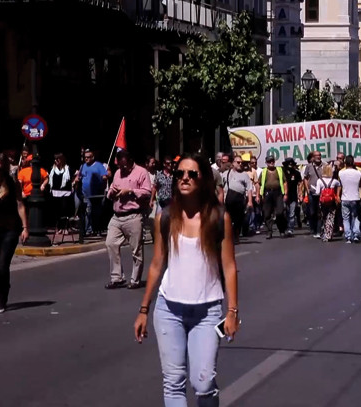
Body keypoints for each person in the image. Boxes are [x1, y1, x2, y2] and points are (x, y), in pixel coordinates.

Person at [133, 154, 239, 407]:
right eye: (180, 174)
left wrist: (232, 311)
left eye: (192, 174)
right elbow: (157, 263)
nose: (184, 178)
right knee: (173, 381)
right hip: (168, 310)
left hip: (209, 312)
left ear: (203, 179)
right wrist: (143, 309)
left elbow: (230, 266)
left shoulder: (218, 217)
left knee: (203, 383)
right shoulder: (166, 217)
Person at [105, 150, 152, 289]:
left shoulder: (142, 172)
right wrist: (112, 193)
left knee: (136, 249)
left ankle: (135, 280)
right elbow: (111, 191)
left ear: (130, 161)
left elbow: (147, 192)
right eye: (119, 166)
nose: (121, 168)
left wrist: (130, 191)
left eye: (124, 166)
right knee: (111, 243)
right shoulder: (117, 173)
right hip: (117, 216)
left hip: (134, 215)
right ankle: (117, 278)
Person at [0, 157, 29, 313]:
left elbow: (20, 204)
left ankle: (2, 297)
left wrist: (25, 227)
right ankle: (4, 285)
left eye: (0, 168)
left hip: (10, 229)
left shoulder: (13, 185)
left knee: (2, 264)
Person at [75, 149, 108, 235]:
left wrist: (103, 183)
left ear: (92, 157)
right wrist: (77, 179)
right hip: (85, 194)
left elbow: (104, 176)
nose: (86, 159)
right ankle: (88, 230)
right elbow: (79, 176)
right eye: (85, 157)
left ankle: (96, 229)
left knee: (96, 212)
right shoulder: (83, 166)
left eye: (88, 157)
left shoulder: (99, 166)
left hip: (96, 194)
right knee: (87, 211)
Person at [338, 155, 361, 243]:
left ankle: (348, 236)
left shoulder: (341, 173)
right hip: (355, 198)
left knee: (346, 218)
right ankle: (356, 234)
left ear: (345, 162)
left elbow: (340, 185)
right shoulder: (358, 173)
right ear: (353, 162)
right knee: (356, 217)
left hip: (345, 198)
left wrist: (337, 195)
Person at [303, 151, 331, 239]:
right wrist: (307, 190)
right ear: (313, 157)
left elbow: (329, 176)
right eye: (316, 156)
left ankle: (319, 230)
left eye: (319, 155)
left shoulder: (325, 165)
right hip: (312, 192)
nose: (318, 157)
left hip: (323, 192)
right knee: (312, 212)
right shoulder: (308, 166)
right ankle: (313, 228)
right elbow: (305, 178)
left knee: (320, 212)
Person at [259, 155, 288, 239]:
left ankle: (281, 230)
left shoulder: (279, 170)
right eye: (269, 161)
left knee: (280, 212)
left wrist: (285, 194)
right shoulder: (264, 171)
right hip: (267, 193)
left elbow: (285, 182)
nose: (271, 162)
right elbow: (259, 184)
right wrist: (259, 195)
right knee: (267, 213)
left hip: (278, 193)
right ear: (266, 163)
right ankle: (269, 231)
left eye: (272, 161)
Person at [48, 153, 73, 233]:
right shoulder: (52, 169)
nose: (56, 161)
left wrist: (74, 182)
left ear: (62, 159)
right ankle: (59, 227)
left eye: (58, 159)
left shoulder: (68, 169)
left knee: (65, 211)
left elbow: (77, 174)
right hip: (55, 193)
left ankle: (65, 227)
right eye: (55, 159)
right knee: (57, 212)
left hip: (65, 193)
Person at [282, 158, 302, 237]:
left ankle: (290, 229)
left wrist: (300, 194)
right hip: (284, 195)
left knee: (292, 213)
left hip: (293, 195)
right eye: (288, 163)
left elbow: (300, 183)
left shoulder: (296, 173)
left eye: (291, 163)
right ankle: (285, 226)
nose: (290, 165)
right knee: (284, 211)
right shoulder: (282, 172)